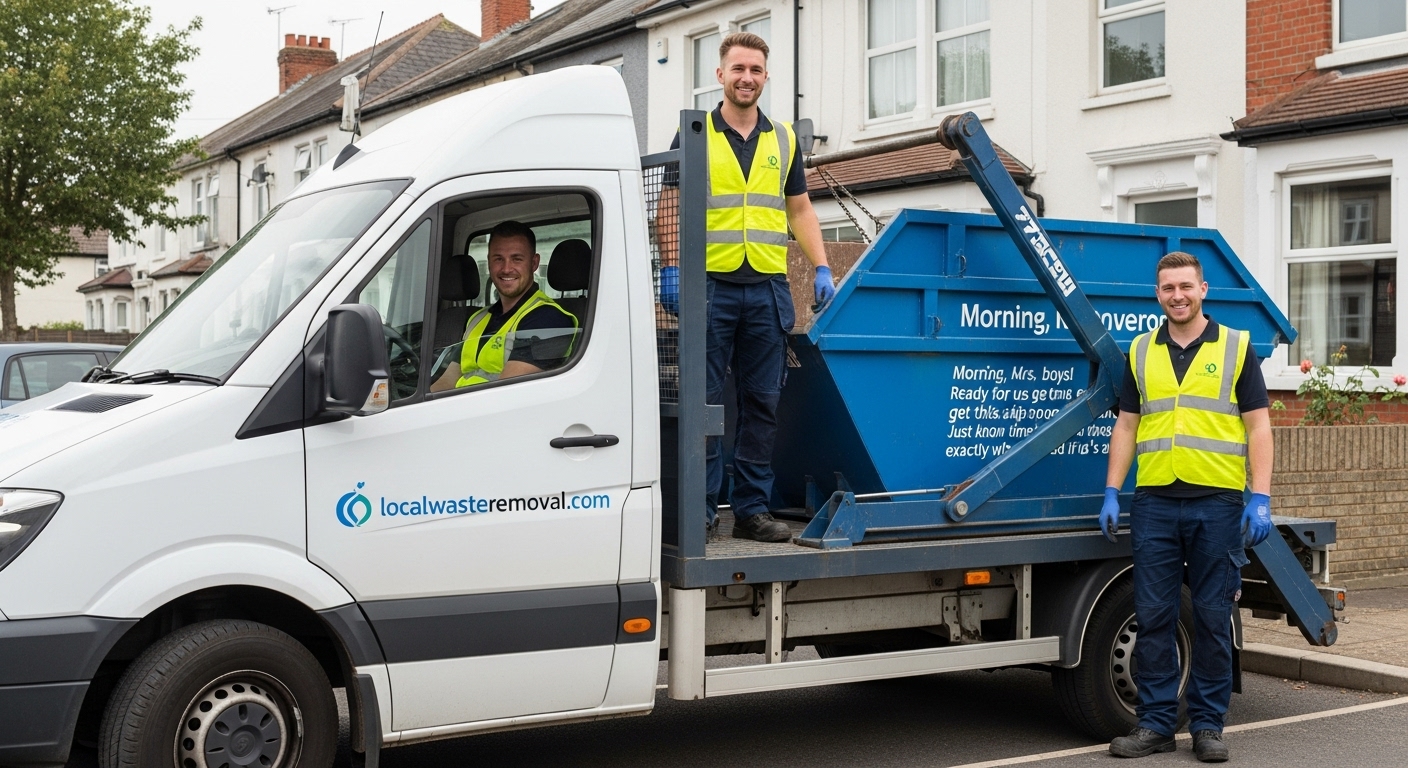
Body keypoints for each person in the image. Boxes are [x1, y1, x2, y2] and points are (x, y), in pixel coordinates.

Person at [658, 32, 836, 543]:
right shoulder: (693, 133)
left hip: (766, 288)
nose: (747, 78)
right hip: (708, 287)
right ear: (720, 75)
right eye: (738, 69)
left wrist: (821, 265)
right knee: (706, 404)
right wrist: (672, 269)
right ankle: (703, 510)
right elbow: (668, 201)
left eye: (756, 70)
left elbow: (798, 208)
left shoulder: (783, 138)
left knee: (761, 404)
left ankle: (752, 511)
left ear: (765, 76)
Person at [1100, 252, 1274, 763]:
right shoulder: (1140, 351)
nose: (1177, 295)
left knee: (1213, 618)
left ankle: (1207, 725)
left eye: (1185, 286)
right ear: (1157, 295)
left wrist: (1259, 497)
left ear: (1203, 290)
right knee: (1153, 616)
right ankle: (1155, 725)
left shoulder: (1236, 348)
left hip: (1217, 504)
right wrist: (1113, 489)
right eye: (1167, 288)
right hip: (1154, 501)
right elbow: (1127, 426)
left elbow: (1259, 425)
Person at [430, 220, 578, 391]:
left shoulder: (549, 320)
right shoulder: (477, 319)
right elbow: (447, 382)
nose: (506, 269)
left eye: (517, 259)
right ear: (489, 263)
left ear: (534, 263)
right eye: (498, 259)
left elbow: (506, 396)